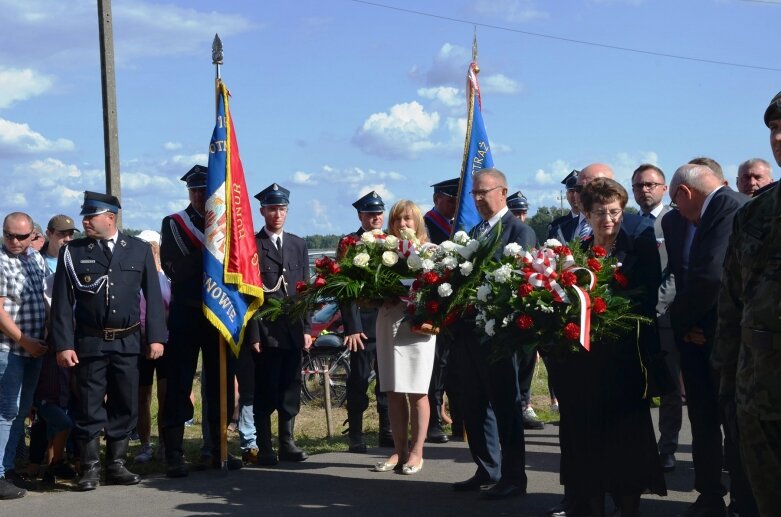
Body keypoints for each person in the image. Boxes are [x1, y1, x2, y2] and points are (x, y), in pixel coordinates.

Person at [558, 178, 666, 517]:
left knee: (625, 436)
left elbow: (648, 298)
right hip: (586, 361)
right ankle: (592, 505)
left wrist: (612, 310)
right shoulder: (578, 251)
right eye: (600, 212)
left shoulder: (640, 246)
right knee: (588, 433)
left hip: (625, 358)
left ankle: (628, 506)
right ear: (587, 214)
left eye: (615, 211)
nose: (609, 218)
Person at [51, 191, 166, 491]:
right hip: (90, 341)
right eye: (85, 216)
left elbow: (153, 297)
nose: (85, 221)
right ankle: (89, 467)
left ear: (110, 218)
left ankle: (116, 464)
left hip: (128, 343)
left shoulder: (138, 250)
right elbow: (63, 303)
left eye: (91, 216)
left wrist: (156, 337)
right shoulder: (73, 252)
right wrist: (64, 344)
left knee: (125, 403)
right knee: (89, 406)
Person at [666, 163, 750, 517]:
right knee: (704, 423)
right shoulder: (722, 207)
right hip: (705, 336)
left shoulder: (728, 207)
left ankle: (741, 502)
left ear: (685, 193)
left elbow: (710, 277)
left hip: (723, 340)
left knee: (733, 427)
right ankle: (711, 495)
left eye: (676, 203)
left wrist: (676, 321)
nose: (679, 214)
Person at [712, 90, 781, 517]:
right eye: (775, 129)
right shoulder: (755, 214)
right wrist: (727, 384)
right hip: (759, 397)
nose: (779, 137)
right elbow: (731, 303)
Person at [451, 168, 536, 500]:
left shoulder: (519, 231)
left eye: (483, 192)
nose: (478, 198)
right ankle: (488, 468)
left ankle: (515, 476)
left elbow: (520, 279)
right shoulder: (475, 230)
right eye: (474, 194)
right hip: (470, 334)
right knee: (474, 405)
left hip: (500, 335)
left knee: (506, 407)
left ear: (503, 192)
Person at [160, 165, 243, 477]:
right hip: (186, 312)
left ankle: (217, 448)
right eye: (194, 190)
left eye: (204, 190)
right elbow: (178, 269)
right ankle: (175, 454)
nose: (199, 195)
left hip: (218, 314)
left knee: (220, 384)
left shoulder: (228, 227)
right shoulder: (174, 224)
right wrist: (212, 241)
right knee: (180, 384)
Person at [245, 183, 311, 465]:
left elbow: (306, 291)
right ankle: (265, 445)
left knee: (290, 388)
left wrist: (307, 329)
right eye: (272, 209)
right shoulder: (253, 244)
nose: (277, 214)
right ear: (262, 211)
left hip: (293, 329)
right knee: (266, 390)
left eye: (282, 209)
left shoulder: (297, 244)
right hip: (267, 330)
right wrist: (254, 334)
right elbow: (249, 294)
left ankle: (287, 442)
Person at [372, 200, 437, 475]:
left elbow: (439, 287)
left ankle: (416, 451)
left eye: (408, 220)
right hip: (389, 320)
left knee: (417, 390)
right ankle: (398, 450)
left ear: (418, 222)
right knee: (393, 390)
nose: (402, 225)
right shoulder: (382, 251)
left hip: (417, 326)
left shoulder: (431, 251)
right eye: (398, 220)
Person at [631, 163, 682, 473]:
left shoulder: (674, 221)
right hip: (634, 319)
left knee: (669, 389)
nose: (644, 190)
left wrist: (655, 304)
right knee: (636, 386)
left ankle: (668, 447)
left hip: (664, 316)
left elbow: (678, 268)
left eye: (650, 184)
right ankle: (639, 447)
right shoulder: (629, 223)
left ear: (664, 188)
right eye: (638, 185)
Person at [0, 212, 48, 499]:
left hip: (34, 350)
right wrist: (24, 340)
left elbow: (44, 298)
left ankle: (8, 469)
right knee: (6, 413)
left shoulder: (35, 258)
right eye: (8, 235)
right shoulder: (1, 260)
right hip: (10, 350)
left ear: (32, 236)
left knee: (20, 412)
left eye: (20, 236)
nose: (14, 241)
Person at [341, 191, 393, 452]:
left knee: (387, 383)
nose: (376, 218)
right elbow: (344, 289)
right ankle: (357, 436)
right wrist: (352, 327)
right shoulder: (350, 243)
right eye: (371, 214)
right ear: (361, 216)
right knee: (359, 381)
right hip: (362, 326)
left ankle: (387, 432)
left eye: (379, 213)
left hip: (387, 323)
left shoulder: (391, 242)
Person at [423, 178, 459, 444]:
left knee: (454, 366)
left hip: (456, 306)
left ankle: (459, 416)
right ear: (437, 200)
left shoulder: (459, 225)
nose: (454, 206)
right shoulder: (428, 226)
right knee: (435, 366)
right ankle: (434, 420)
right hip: (435, 306)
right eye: (450, 200)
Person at [133, 230, 170, 464]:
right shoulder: (134, 277)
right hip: (139, 343)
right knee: (142, 396)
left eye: (150, 245)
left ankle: (165, 442)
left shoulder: (167, 277)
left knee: (165, 395)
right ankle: (145, 443)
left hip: (166, 343)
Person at [548, 170, 580, 243]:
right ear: (566, 194)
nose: (574, 195)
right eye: (571, 191)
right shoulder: (556, 225)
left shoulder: (593, 222)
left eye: (577, 190)